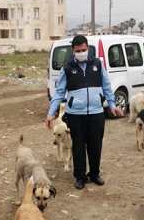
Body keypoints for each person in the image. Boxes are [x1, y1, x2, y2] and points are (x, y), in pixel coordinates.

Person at [45, 35, 123, 190]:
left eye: (84, 50)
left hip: (96, 113)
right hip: (75, 115)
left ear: (88, 48)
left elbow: (107, 87)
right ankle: (80, 177)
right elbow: (59, 93)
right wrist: (51, 113)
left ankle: (94, 174)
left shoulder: (97, 65)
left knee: (96, 145)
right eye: (78, 50)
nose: (81, 52)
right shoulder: (67, 69)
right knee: (78, 147)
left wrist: (112, 105)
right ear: (73, 51)